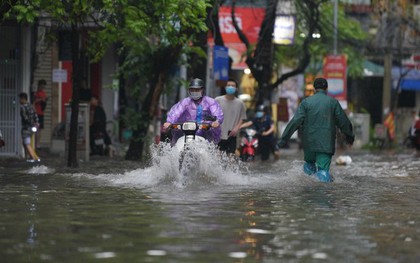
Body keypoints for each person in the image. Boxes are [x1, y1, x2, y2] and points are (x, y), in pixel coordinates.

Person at [277, 78, 354, 182]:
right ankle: (320, 195)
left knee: (309, 168)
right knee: (323, 173)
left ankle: (308, 194)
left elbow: (295, 122)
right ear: (326, 89)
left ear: (314, 89)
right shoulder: (333, 102)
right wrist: (350, 138)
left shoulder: (306, 102)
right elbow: (344, 122)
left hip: (309, 144)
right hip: (325, 144)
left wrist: (283, 141)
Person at [163, 78, 224, 145]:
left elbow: (217, 112)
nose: (194, 91)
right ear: (189, 91)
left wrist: (216, 121)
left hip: (206, 132)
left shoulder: (210, 102)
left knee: (213, 141)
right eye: (192, 90)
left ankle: (213, 150)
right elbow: (176, 112)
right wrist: (169, 122)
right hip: (185, 132)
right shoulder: (185, 102)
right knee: (175, 145)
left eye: (197, 90)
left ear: (202, 90)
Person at [215, 78, 247, 155]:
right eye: (228, 85)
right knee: (218, 157)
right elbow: (212, 115)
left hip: (232, 134)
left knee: (231, 159)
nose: (230, 87)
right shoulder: (217, 100)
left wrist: (237, 128)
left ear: (236, 88)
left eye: (233, 86)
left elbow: (242, 118)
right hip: (219, 133)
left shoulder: (240, 103)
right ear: (225, 87)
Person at [19, 92, 40, 162]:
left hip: (26, 127)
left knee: (26, 143)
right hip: (32, 127)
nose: (19, 101)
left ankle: (32, 157)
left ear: (23, 99)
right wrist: (36, 123)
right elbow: (36, 115)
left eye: (20, 99)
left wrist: (29, 123)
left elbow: (25, 118)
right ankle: (28, 157)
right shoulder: (31, 106)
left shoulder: (23, 107)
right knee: (26, 142)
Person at [33, 79, 48, 149]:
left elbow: (45, 101)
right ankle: (35, 143)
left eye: (43, 87)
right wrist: (40, 99)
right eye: (42, 86)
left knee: (40, 129)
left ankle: (38, 144)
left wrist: (44, 100)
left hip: (41, 113)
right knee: (36, 128)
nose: (42, 88)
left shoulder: (44, 93)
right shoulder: (36, 93)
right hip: (36, 112)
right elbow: (34, 101)